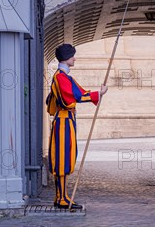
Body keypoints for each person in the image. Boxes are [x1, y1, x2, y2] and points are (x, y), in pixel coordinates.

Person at [46, 44, 108, 209]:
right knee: (62, 158)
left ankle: (62, 196)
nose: (75, 58)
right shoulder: (61, 77)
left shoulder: (64, 77)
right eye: (73, 56)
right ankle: (62, 199)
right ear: (66, 57)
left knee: (66, 156)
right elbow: (73, 97)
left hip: (67, 120)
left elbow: (79, 93)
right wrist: (98, 94)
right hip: (64, 121)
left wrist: (97, 93)